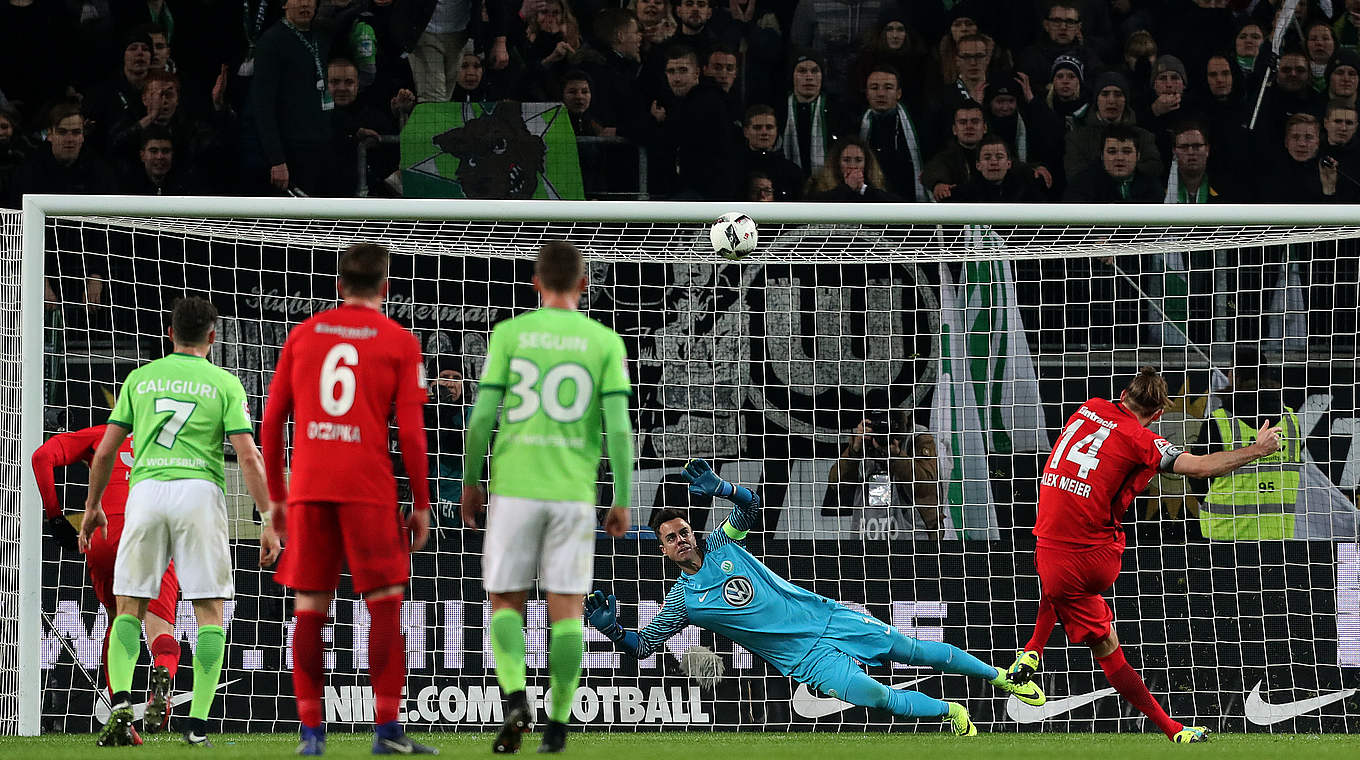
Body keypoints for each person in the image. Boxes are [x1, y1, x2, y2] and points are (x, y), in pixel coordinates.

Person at [586, 459, 1045, 738]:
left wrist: (725, 489)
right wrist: (612, 629)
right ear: (662, 550)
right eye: (672, 537)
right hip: (804, 660)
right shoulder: (682, 602)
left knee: (915, 650)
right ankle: (952, 712)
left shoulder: (724, 544)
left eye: (685, 530)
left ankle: (1002, 677)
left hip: (828, 619)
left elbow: (750, 507)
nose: (682, 539)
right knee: (872, 696)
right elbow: (642, 646)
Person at [1008, 367, 1283, 744]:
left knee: (1058, 586)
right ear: (1157, 414)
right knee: (1108, 649)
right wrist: (1257, 449)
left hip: (1047, 543)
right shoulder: (1143, 439)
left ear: (1123, 394)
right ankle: (1174, 730)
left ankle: (1032, 651)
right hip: (1094, 559)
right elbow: (1200, 468)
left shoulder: (1088, 407)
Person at [80, 297, 277, 748]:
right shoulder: (225, 383)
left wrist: (92, 507)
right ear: (213, 337)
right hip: (199, 494)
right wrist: (267, 517)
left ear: (170, 334)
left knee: (129, 607)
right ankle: (197, 725)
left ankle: (123, 708)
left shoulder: (140, 378)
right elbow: (248, 455)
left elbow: (107, 450)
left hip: (145, 494)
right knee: (209, 612)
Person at [461, 241, 634, 754]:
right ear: (584, 284)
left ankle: (516, 696)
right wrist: (621, 496)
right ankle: (558, 721)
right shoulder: (603, 342)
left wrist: (472, 481)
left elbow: (482, 418)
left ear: (535, 282)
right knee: (567, 611)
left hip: (513, 491)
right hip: (573, 496)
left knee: (505, 602)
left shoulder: (510, 334)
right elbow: (619, 430)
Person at [262, 243, 434, 755]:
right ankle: (386, 731)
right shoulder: (400, 341)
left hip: (311, 489)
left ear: (339, 286)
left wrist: (277, 498)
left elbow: (271, 424)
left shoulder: (302, 335)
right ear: (385, 288)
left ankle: (311, 736)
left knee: (310, 609)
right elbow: (412, 432)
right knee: (384, 607)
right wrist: (421, 502)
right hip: (369, 489)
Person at [32, 424, 182, 739]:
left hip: (105, 534)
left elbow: (42, 456)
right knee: (161, 631)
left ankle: (121, 710)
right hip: (153, 533)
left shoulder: (103, 434)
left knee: (119, 621)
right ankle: (164, 674)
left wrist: (55, 516)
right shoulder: (169, 440)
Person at [248, 0, 335, 196]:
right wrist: (276, 159)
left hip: (322, 145)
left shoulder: (322, 35)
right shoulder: (271, 42)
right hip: (291, 150)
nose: (304, 4)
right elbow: (262, 106)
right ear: (284, 4)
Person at [821, 412, 941, 538]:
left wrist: (897, 456)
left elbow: (927, 487)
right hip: (868, 536)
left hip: (911, 538)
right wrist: (854, 449)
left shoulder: (916, 437)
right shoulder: (863, 440)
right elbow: (836, 483)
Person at [857, 64, 928, 201]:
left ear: (899, 93)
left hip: (909, 200)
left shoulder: (919, 123)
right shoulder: (854, 124)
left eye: (888, 87)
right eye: (874, 88)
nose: (881, 93)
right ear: (866, 93)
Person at [1063, 124, 1162, 203]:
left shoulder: (1153, 186)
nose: (1119, 158)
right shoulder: (1081, 185)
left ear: (1138, 156)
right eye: (1112, 152)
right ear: (1102, 156)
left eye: (1127, 151)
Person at [948, 133, 1047, 203]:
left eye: (999, 157)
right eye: (987, 158)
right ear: (978, 165)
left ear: (1009, 163)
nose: (994, 162)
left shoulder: (1028, 193)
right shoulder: (962, 196)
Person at [735, 104, 803, 200]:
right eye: (757, 127)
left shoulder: (791, 171)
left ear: (776, 131)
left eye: (769, 127)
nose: (764, 132)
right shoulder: (732, 168)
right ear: (746, 132)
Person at [922, 101, 986, 201]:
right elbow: (932, 170)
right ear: (954, 129)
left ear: (985, 128)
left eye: (975, 121)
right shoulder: (945, 157)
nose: (969, 126)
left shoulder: (998, 150)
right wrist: (938, 184)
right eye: (963, 122)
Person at [804, 136, 900, 201]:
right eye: (846, 160)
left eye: (858, 160)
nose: (853, 165)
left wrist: (863, 189)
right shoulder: (817, 184)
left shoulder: (878, 185)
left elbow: (900, 206)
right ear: (837, 162)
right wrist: (847, 188)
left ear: (866, 163)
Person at [1163, 123, 1220, 203]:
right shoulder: (1159, 192)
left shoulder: (1226, 190)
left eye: (1197, 146)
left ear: (1207, 149)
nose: (1191, 152)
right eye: (1184, 147)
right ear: (1174, 151)